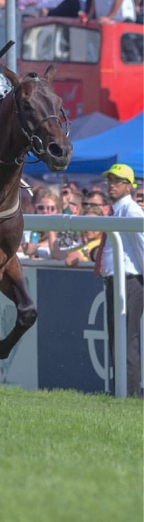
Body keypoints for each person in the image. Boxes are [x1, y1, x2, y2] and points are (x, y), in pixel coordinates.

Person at [98, 164, 143, 398]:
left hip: (130, 281)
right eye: (110, 180)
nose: (111, 184)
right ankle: (122, 390)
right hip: (117, 281)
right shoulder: (116, 211)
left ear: (128, 186)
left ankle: (130, 393)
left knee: (126, 338)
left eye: (117, 181)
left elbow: (142, 247)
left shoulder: (132, 211)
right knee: (118, 338)